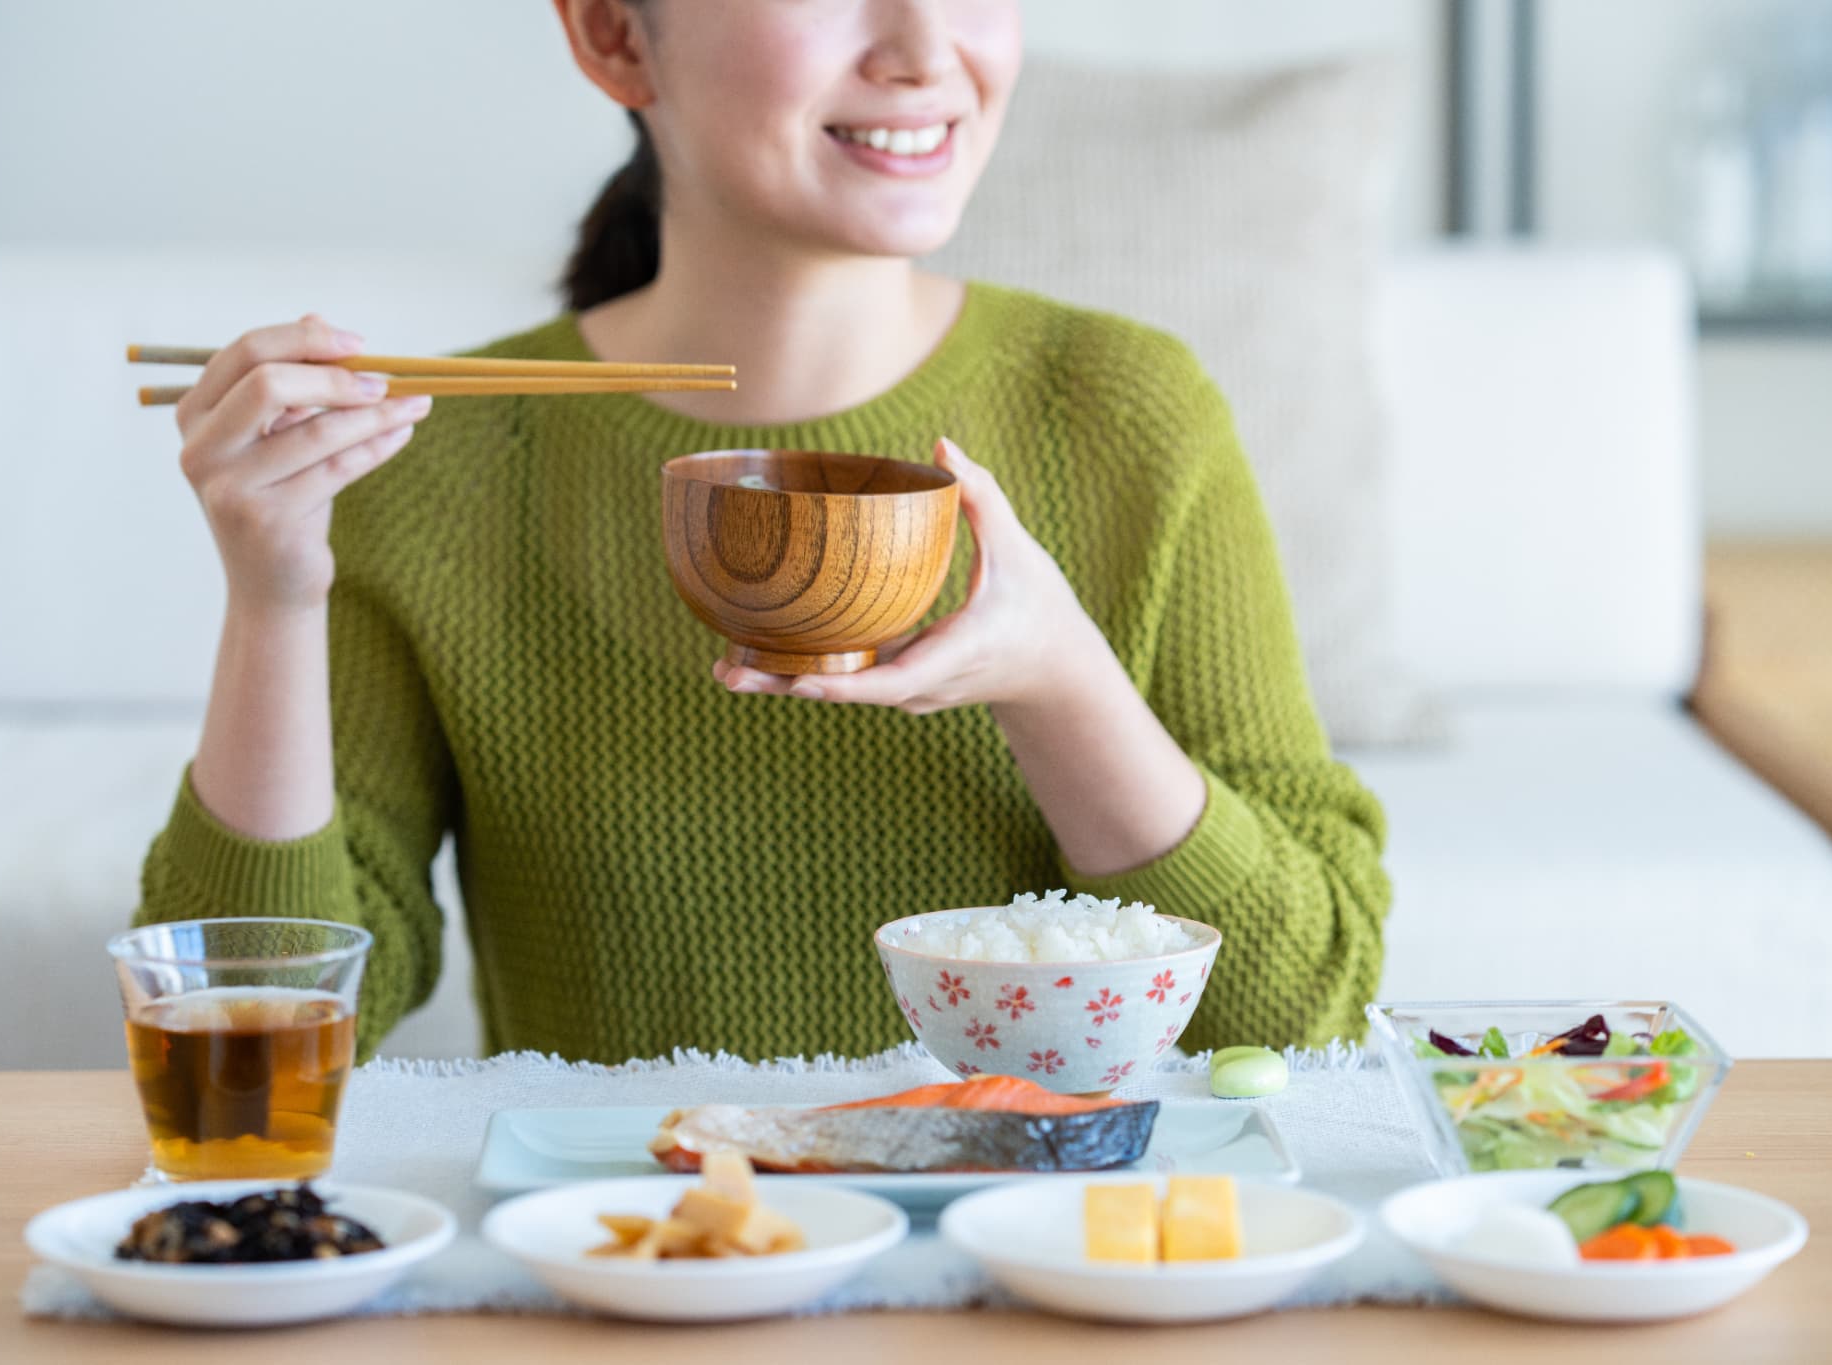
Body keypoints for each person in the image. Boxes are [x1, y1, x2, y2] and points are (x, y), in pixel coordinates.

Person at [134, 0, 1391, 1061]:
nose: (923, 50)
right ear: (614, 35)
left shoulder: (1124, 412)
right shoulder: (443, 463)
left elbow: (1302, 1013)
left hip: (1029, 1245)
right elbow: (255, 1037)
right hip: (643, 1244)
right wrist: (272, 598)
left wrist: (1061, 684)